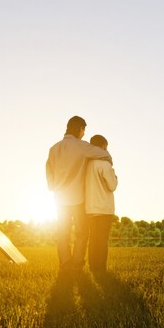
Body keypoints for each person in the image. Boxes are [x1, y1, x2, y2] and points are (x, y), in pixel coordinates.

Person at [46, 116, 110, 271]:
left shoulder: (54, 148)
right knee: (81, 233)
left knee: (63, 233)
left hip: (60, 199)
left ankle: (65, 263)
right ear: (80, 128)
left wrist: (54, 187)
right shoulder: (82, 146)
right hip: (78, 199)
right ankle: (77, 263)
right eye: (83, 130)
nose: (84, 134)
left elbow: (49, 171)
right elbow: (104, 154)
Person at [85, 134, 118, 275]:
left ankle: (93, 267)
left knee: (93, 238)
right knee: (102, 240)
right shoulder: (105, 164)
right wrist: (115, 176)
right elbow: (112, 186)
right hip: (104, 209)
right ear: (104, 146)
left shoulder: (86, 165)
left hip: (90, 208)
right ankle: (101, 269)